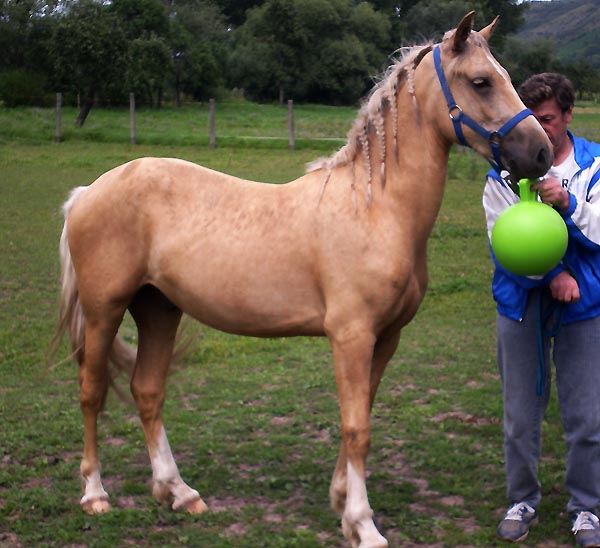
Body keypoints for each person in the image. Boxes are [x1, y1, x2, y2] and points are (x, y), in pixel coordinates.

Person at [483, 72, 600, 547]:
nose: (540, 130)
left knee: (587, 416)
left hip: (586, 306)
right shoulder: (504, 174)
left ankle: (586, 507)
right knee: (519, 415)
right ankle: (522, 500)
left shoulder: (594, 166)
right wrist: (553, 275)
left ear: (568, 115)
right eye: (531, 118)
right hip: (520, 304)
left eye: (548, 119)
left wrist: (568, 202)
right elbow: (502, 242)